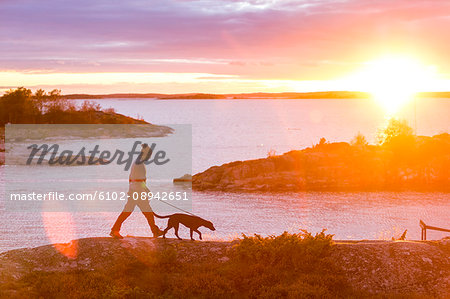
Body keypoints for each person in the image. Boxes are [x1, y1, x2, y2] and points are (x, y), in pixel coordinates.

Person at [110, 143, 163, 239]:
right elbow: (139, 181)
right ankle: (155, 231)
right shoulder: (139, 164)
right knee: (147, 213)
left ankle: (115, 230)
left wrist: (145, 190)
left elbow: (134, 179)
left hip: (134, 190)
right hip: (137, 192)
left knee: (130, 212)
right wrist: (145, 191)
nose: (149, 157)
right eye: (149, 155)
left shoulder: (137, 162)